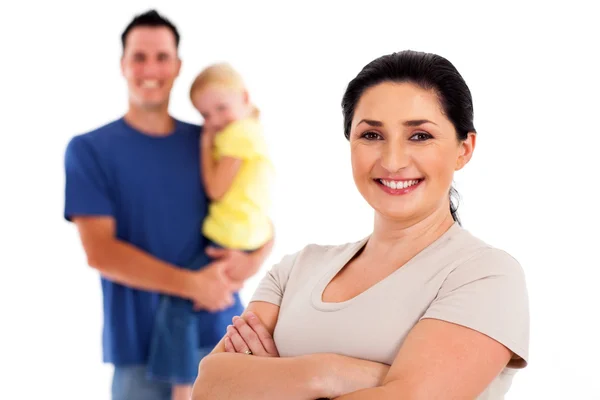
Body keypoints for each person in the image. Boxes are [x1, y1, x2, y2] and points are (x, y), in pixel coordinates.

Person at [191, 50, 530, 400]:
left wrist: (270, 380)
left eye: (419, 136)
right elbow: (208, 387)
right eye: (371, 135)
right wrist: (328, 374)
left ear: (464, 148)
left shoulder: (486, 275)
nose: (393, 160)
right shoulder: (294, 271)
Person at [63, 9, 273, 400]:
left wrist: (257, 257)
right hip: (138, 350)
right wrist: (193, 284)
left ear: (177, 66)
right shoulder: (89, 150)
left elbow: (254, 208)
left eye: (162, 57)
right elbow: (100, 252)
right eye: (139, 57)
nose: (150, 68)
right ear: (123, 65)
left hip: (220, 336)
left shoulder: (212, 140)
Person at [146, 62, 274, 400]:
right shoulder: (252, 129)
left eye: (221, 108)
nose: (215, 120)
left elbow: (216, 189)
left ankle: (181, 386)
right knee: (222, 304)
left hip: (230, 235)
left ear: (245, 98)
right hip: (247, 234)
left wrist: (205, 144)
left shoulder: (236, 133)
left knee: (180, 303)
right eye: (206, 115)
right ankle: (238, 377)